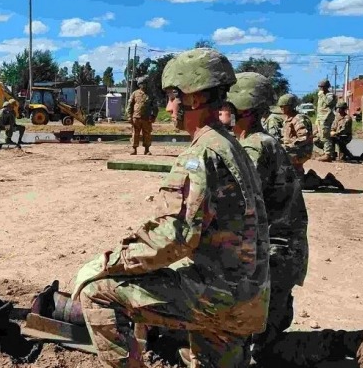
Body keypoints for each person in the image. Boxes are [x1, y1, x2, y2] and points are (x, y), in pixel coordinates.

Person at [72, 48, 270, 368]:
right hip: (250, 295)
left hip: (219, 297)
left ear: (191, 98)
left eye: (171, 96)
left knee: (97, 290)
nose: (167, 107)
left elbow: (176, 237)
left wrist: (106, 262)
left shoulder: (201, 152)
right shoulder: (233, 145)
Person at [216, 72, 363, 368]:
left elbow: (234, 209)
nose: (219, 110)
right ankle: (358, 341)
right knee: (265, 348)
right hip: (282, 256)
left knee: (230, 345)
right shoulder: (262, 142)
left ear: (242, 109)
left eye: (225, 106)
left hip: (269, 260)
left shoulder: (254, 147)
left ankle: (355, 341)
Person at [277, 94, 313, 180]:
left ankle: (322, 181)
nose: (282, 108)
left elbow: (304, 138)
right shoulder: (288, 119)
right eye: (280, 106)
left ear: (291, 106)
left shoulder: (298, 119)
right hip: (293, 150)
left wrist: (288, 147)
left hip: (301, 151)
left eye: (284, 106)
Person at [126, 76, 158, 155]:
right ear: (139, 85)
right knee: (135, 133)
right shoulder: (135, 93)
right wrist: (129, 116)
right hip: (136, 117)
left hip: (146, 118)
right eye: (141, 84)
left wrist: (153, 116)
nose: (143, 85)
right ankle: (134, 149)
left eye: (145, 83)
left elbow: (155, 106)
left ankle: (147, 149)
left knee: (147, 134)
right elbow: (130, 105)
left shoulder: (150, 94)